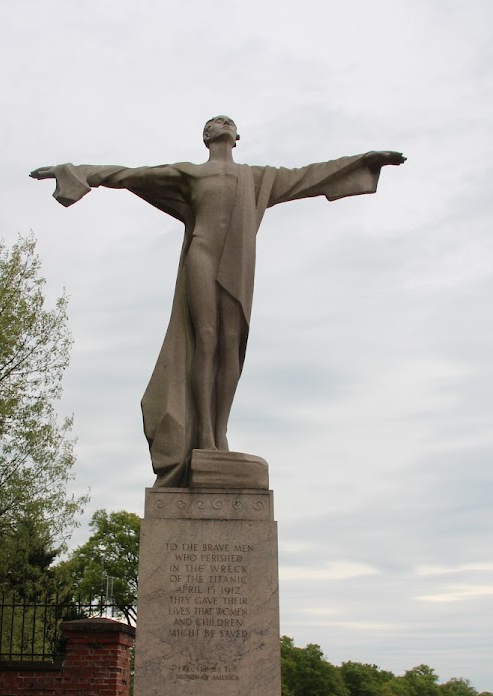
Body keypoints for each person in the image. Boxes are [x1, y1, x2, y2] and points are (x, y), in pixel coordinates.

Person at [31, 116, 405, 487]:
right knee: (205, 338)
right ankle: (205, 438)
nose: (222, 123)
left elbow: (311, 176)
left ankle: (220, 433)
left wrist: (366, 161)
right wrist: (71, 171)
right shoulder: (189, 173)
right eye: (215, 122)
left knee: (230, 345)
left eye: (228, 121)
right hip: (203, 254)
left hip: (236, 263)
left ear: (237, 136)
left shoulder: (258, 178)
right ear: (206, 135)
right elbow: (126, 175)